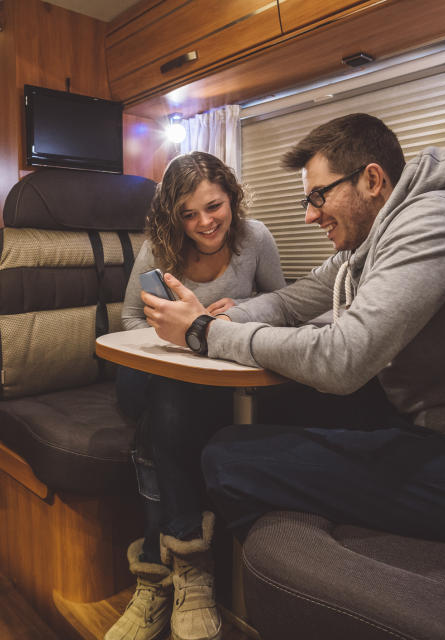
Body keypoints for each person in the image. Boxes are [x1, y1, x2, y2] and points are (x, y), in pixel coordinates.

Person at [142, 113, 445, 557]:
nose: (311, 216)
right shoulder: (370, 246)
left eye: (318, 196)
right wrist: (220, 319)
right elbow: (294, 299)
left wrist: (205, 334)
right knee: (250, 414)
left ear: (372, 180)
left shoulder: (435, 221)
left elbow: (343, 358)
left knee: (230, 458)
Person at [108, 151, 284, 640]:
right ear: (173, 216)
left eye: (214, 206)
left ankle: (156, 575)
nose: (204, 222)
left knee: (157, 433)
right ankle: (193, 569)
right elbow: (128, 320)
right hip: (148, 373)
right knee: (169, 393)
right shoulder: (159, 249)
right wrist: (173, 337)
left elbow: (284, 303)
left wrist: (244, 310)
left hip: (212, 379)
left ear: (231, 196)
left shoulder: (256, 240)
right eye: (189, 214)